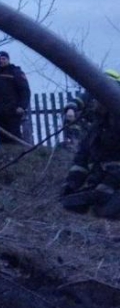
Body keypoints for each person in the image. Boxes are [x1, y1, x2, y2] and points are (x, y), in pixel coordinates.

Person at [59, 70, 120, 218]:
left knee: (106, 212)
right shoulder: (96, 128)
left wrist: (107, 186)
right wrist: (71, 184)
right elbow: (82, 159)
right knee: (69, 205)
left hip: (115, 184)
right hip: (101, 183)